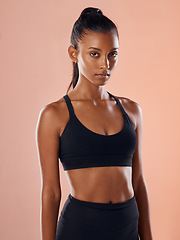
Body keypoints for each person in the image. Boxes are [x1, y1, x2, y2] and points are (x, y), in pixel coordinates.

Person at [36, 7, 153, 240]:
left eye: (113, 54)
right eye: (95, 54)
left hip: (127, 227)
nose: (105, 64)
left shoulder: (132, 111)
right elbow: (50, 192)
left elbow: (138, 182)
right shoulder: (55, 115)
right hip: (80, 229)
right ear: (73, 53)